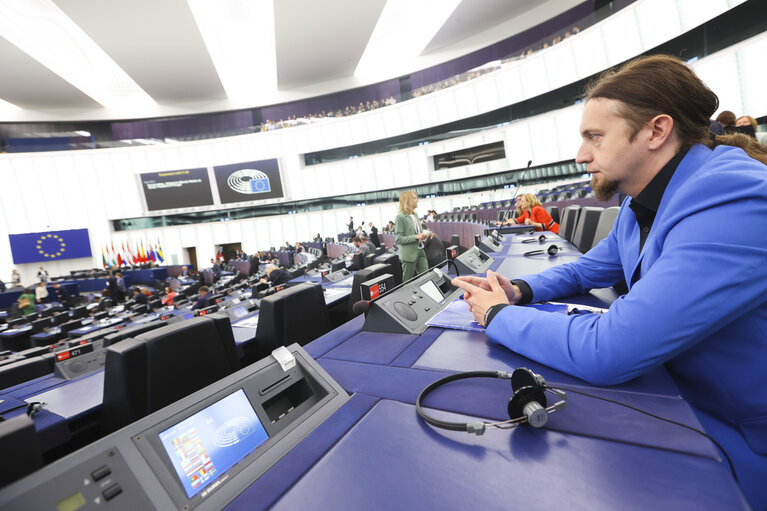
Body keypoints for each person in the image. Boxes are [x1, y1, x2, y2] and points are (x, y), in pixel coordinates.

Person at [451, 55, 767, 510]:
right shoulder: (641, 203)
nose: (581, 155)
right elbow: (587, 270)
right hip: (686, 405)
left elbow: (611, 350)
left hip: (743, 441)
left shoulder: (730, 196)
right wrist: (521, 291)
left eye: (594, 137)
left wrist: (498, 315)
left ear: (656, 132)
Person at [395, 190, 432, 280]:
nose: (417, 200)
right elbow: (398, 239)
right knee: (407, 282)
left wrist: (427, 233)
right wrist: (416, 237)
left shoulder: (415, 215)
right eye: (415, 198)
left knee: (426, 278)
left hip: (420, 251)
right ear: (408, 201)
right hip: (409, 255)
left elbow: (417, 231)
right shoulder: (400, 217)